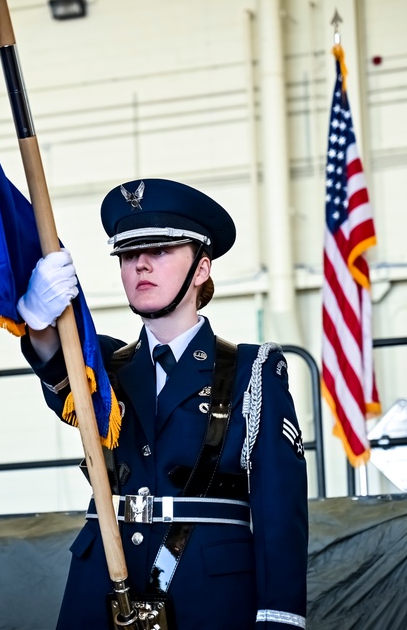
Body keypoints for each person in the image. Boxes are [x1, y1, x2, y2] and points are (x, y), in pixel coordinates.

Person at [19, 178, 308, 629]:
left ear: (201, 269)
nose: (141, 266)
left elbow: (280, 514)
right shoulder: (105, 366)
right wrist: (37, 323)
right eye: (130, 255)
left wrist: (281, 619)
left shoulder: (252, 371)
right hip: (101, 591)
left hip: (207, 596)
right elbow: (62, 372)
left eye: (160, 252)